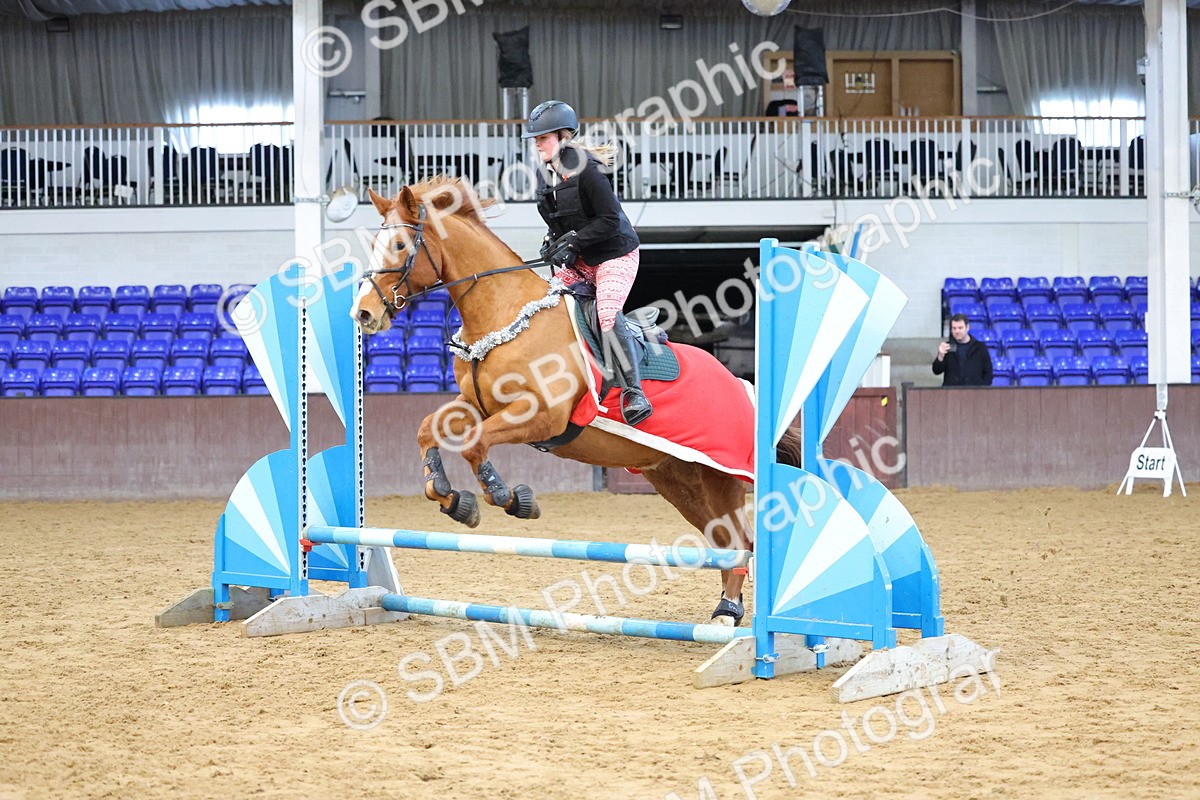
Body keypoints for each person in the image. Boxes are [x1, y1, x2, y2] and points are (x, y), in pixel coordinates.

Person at [523, 99, 652, 426]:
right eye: (536, 139)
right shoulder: (546, 176)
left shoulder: (588, 171)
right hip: (583, 261)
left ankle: (634, 392)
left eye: (543, 138)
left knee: (607, 314)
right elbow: (561, 222)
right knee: (542, 302)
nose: (538, 144)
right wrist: (553, 242)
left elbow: (609, 219)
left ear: (564, 137)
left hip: (615, 255)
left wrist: (574, 242)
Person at [933, 313, 993, 386]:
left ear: (967, 328)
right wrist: (940, 356)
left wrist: (981, 390)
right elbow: (936, 370)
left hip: (974, 393)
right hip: (952, 393)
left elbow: (988, 372)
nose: (957, 331)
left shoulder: (980, 347)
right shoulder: (947, 347)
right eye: (954, 328)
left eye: (960, 328)